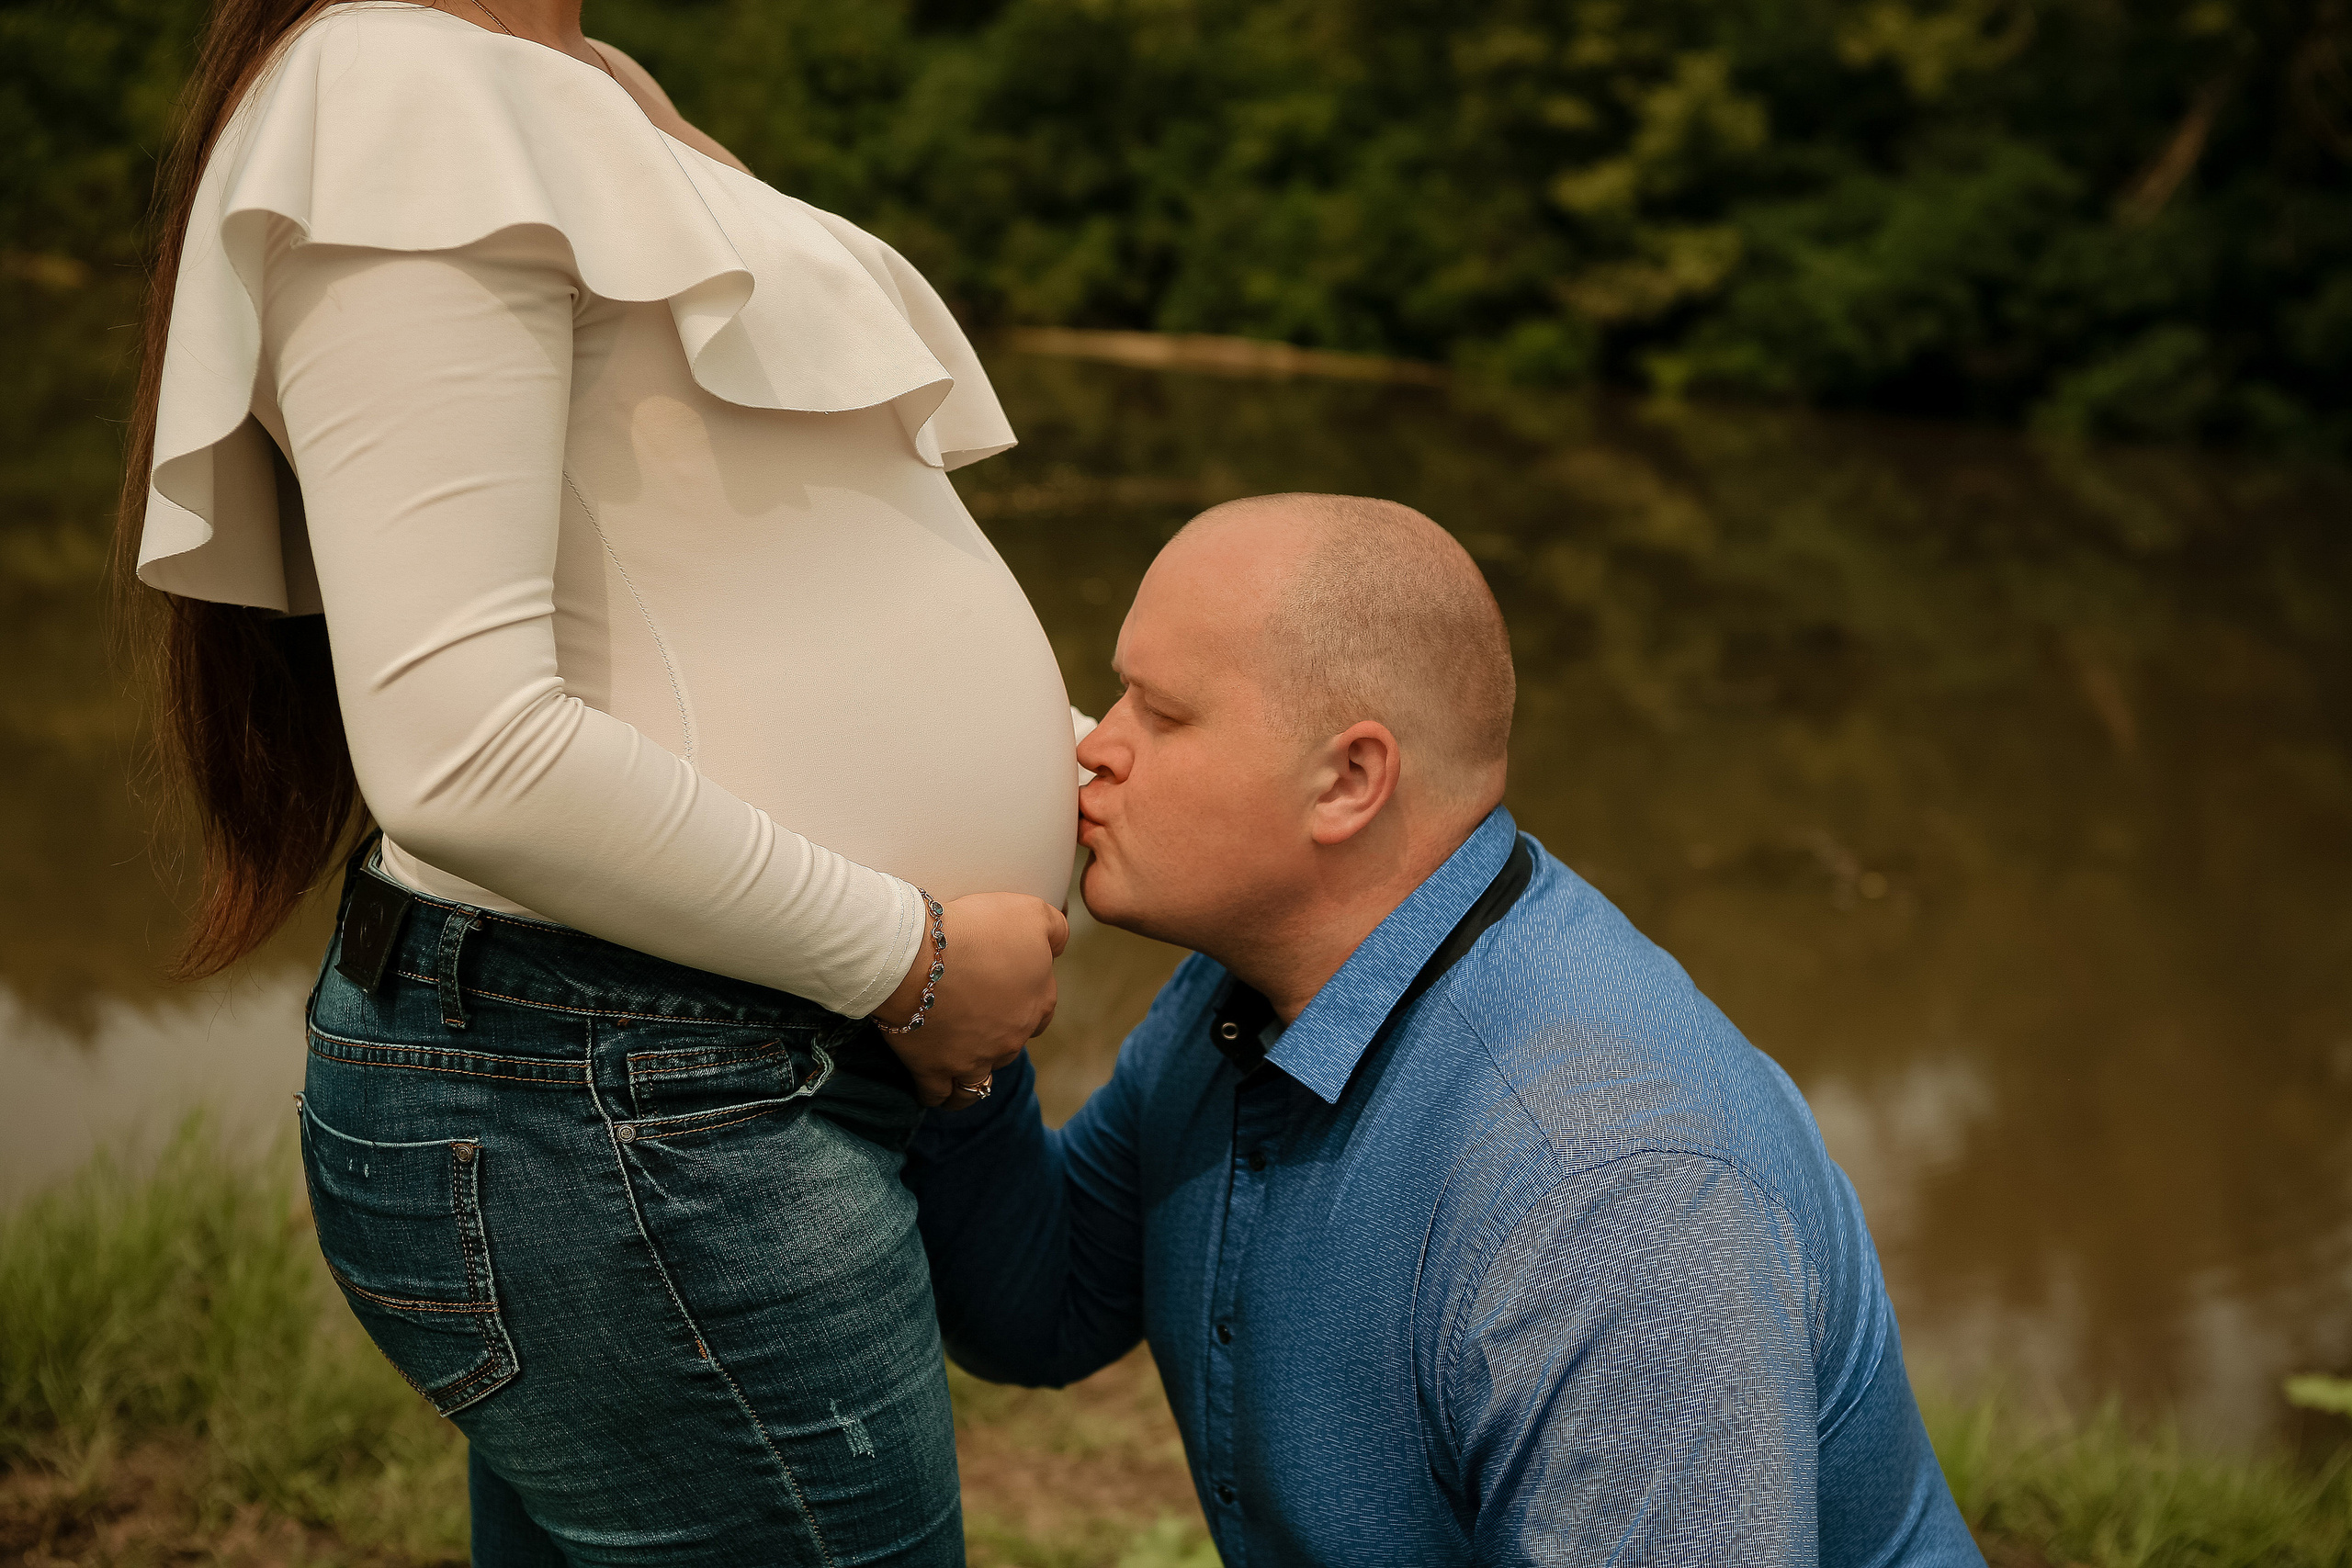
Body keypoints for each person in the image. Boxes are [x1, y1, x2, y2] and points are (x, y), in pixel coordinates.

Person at [119, 0, 1075, 1561]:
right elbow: (464, 750)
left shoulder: (591, 85)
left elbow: (740, 586)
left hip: (680, 1086)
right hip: (640, 1094)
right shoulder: (399, 86)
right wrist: (910, 962)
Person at [908, 493, 1985, 1565]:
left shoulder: (1610, 1194)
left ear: (1349, 780)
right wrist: (965, 1044)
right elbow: (1042, 1310)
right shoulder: (1240, 989)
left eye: (1162, 713)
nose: (1096, 748)